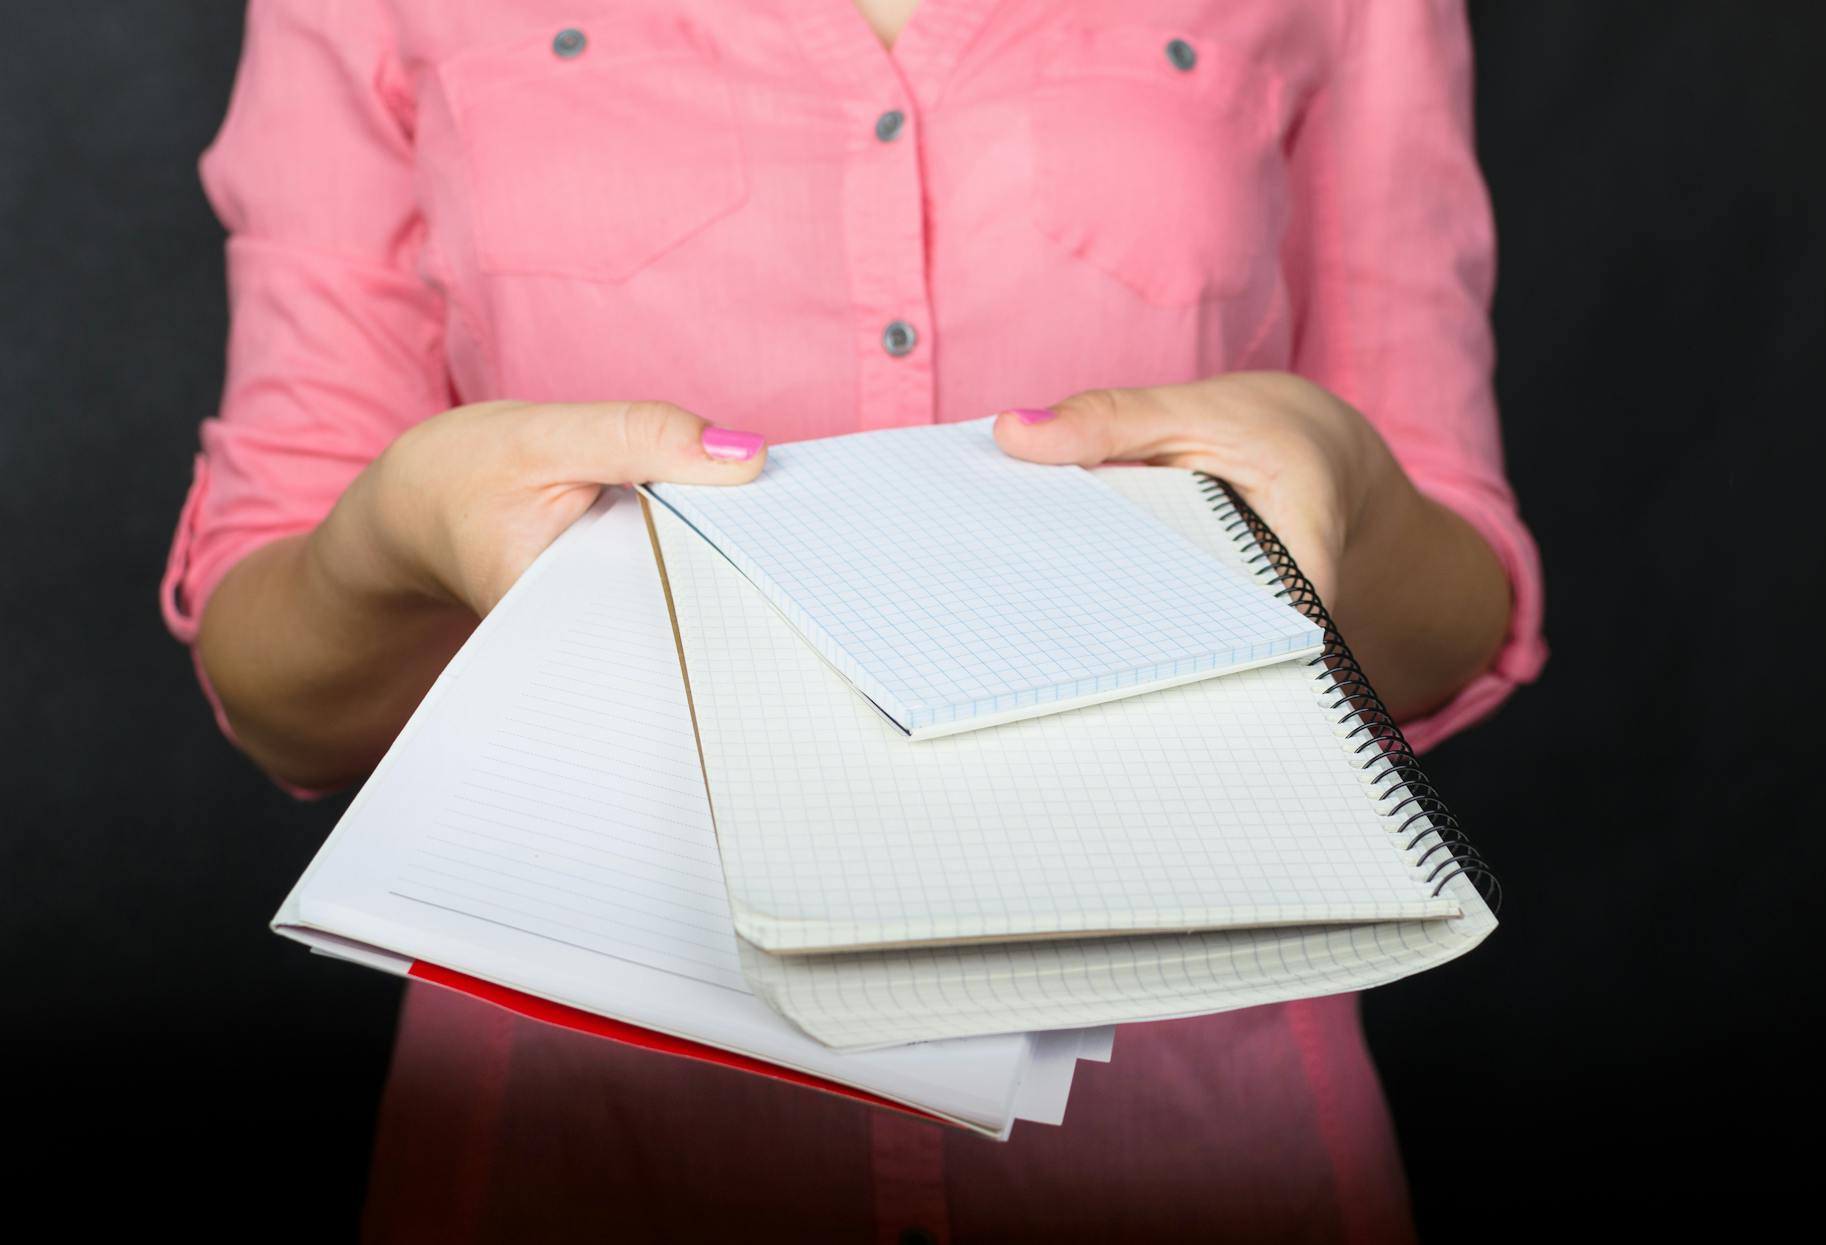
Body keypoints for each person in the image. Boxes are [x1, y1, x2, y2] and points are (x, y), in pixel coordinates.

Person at [161, 1, 1547, 1239]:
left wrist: (1346, 489)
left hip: (1209, 1136)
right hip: (574, 1142)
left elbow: (1455, 611)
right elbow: (278, 685)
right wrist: (404, 520)